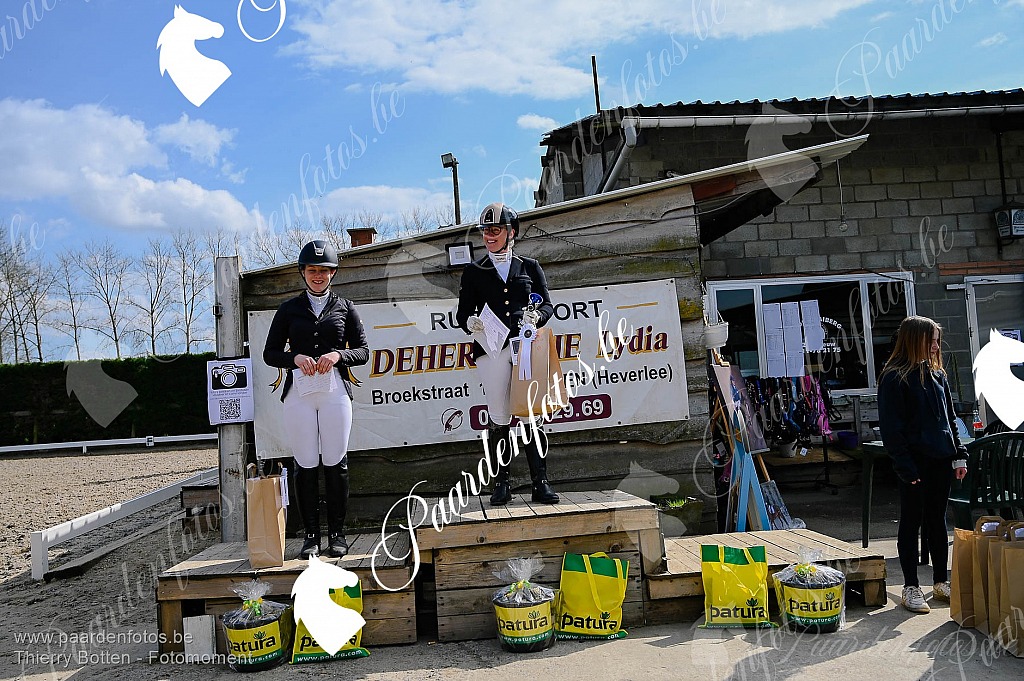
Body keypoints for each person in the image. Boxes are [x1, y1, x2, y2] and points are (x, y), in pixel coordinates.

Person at [263, 240, 369, 559]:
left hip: (334, 392)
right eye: (312, 270)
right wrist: (294, 358)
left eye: (324, 270)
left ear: (332, 273)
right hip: (300, 395)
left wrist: (339, 355)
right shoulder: (288, 309)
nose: (318, 276)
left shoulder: (345, 307)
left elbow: (363, 351)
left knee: (336, 461)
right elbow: (270, 353)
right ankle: (311, 536)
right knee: (305, 463)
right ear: (303, 272)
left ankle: (337, 534)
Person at [455, 202, 559, 506]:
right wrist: (469, 322)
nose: (489, 235)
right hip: (491, 349)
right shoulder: (473, 271)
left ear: (511, 232)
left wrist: (537, 317)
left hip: (525, 347)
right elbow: (462, 313)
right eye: (485, 230)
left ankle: (540, 482)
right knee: (499, 415)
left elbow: (548, 305)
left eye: (495, 230)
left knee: (530, 414)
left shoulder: (530, 266)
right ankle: (501, 483)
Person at [877, 315, 968, 614]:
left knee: (938, 521)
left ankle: (941, 581)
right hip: (914, 464)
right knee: (911, 521)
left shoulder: (938, 374)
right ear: (914, 340)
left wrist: (959, 454)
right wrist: (905, 467)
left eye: (937, 342)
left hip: (941, 459)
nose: (936, 347)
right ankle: (911, 586)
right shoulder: (894, 378)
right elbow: (892, 430)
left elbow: (950, 418)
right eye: (931, 342)